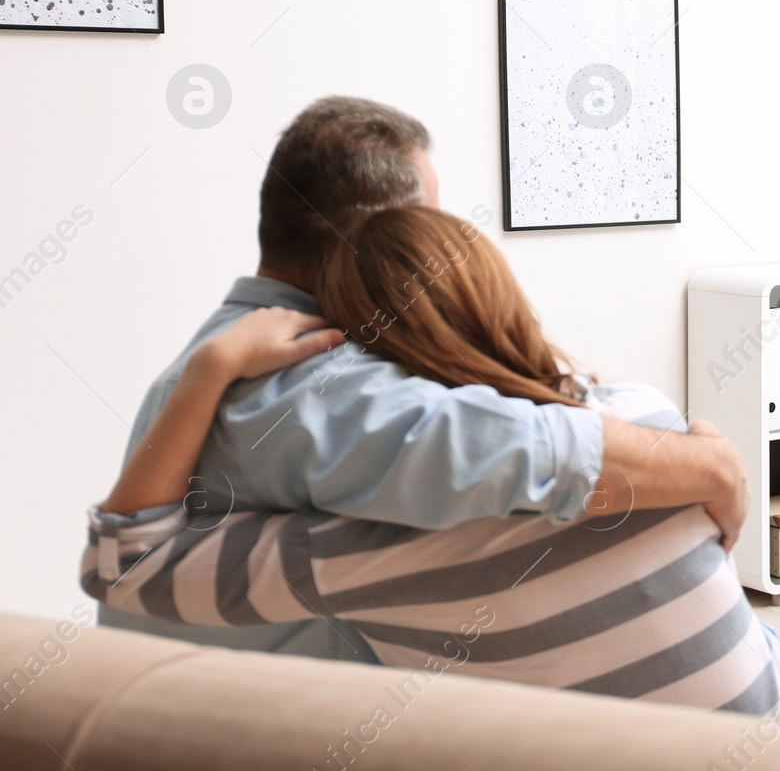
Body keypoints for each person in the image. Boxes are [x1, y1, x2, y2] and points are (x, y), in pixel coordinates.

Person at [84, 207, 780, 730]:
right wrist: (710, 450)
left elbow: (123, 566)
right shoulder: (649, 422)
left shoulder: (358, 557)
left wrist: (210, 367)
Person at [98, 97, 747, 662]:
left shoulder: (220, 347)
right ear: (381, 241)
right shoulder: (309, 383)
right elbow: (522, 449)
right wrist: (713, 466)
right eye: (429, 223)